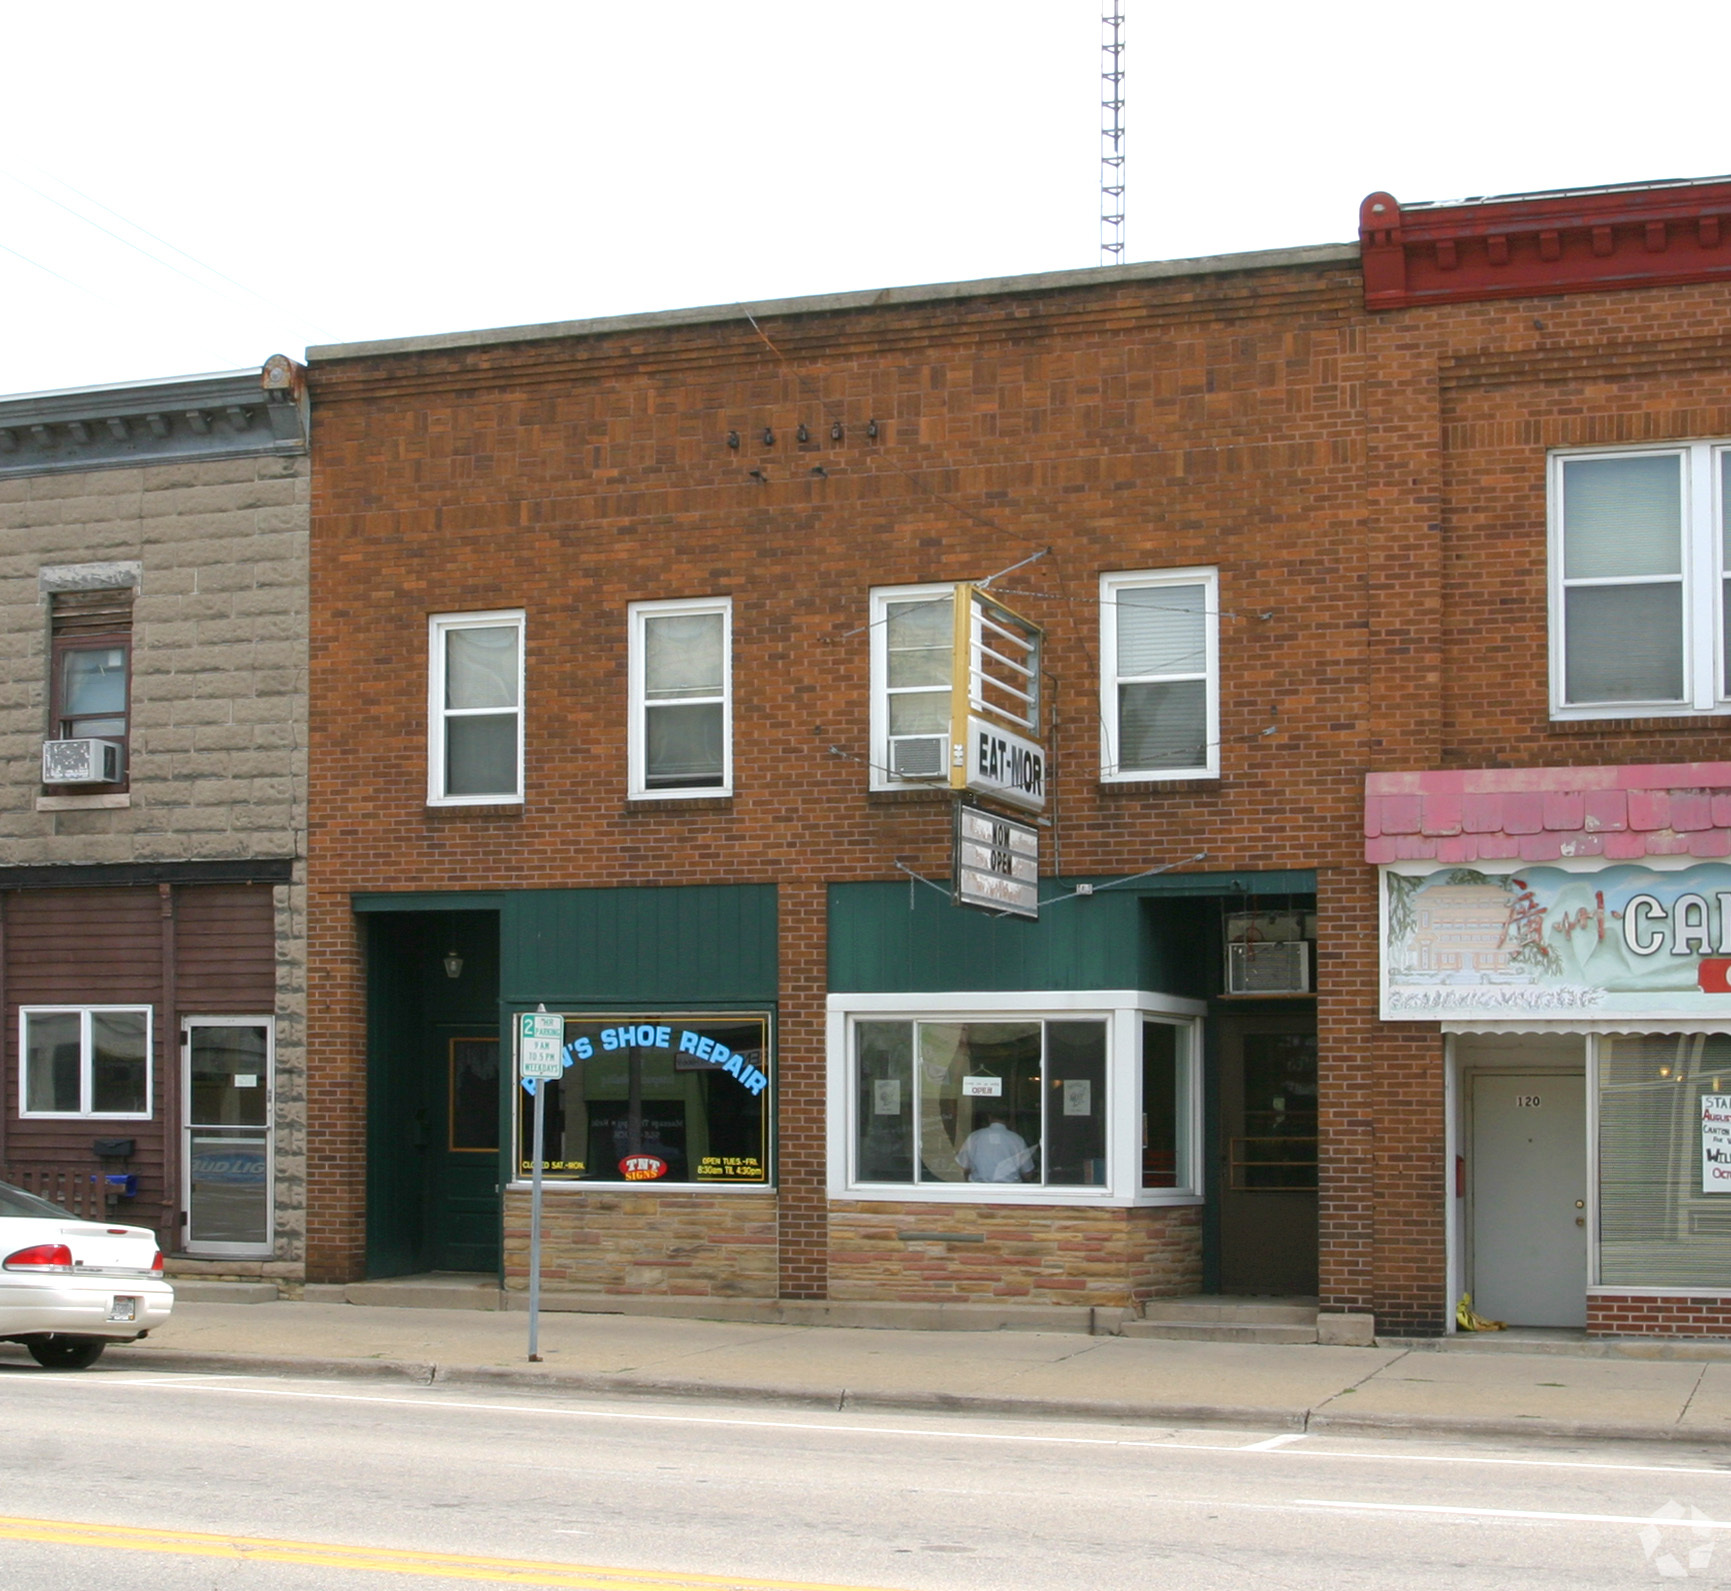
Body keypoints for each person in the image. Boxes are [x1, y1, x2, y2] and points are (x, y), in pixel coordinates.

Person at [955, 1111, 1033, 1183]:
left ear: (989, 1118)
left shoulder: (974, 1137)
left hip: (979, 1190)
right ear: (1010, 1120)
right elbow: (1027, 1174)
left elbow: (962, 1168)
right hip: (1009, 1191)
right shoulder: (1017, 1139)